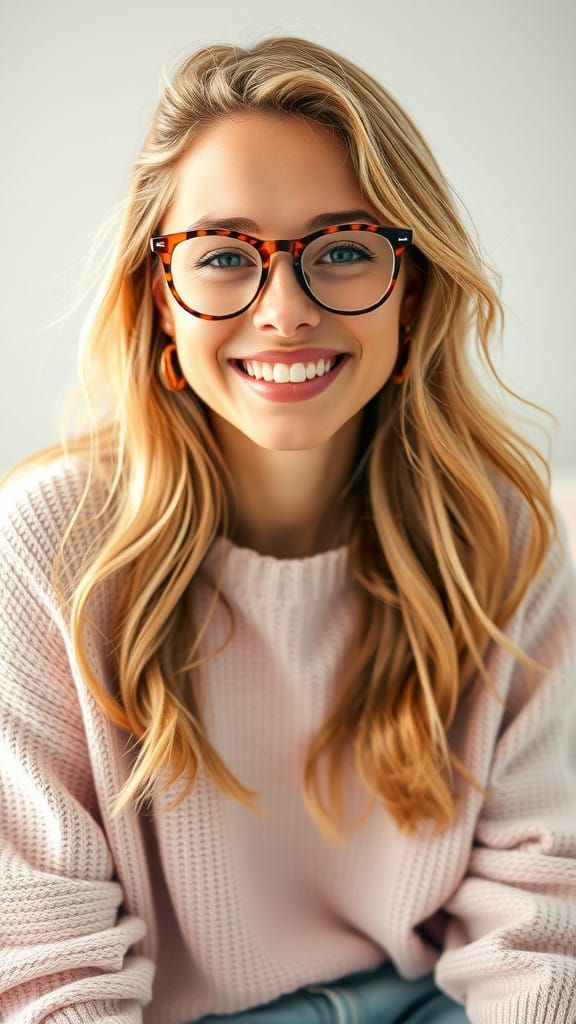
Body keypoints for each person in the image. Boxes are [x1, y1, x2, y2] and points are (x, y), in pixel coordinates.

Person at [0, 35, 575, 1024]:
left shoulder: (506, 535)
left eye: (344, 249)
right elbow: (47, 964)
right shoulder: (51, 546)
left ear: (413, 289)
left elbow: (538, 926)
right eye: (224, 256)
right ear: (158, 301)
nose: (285, 310)